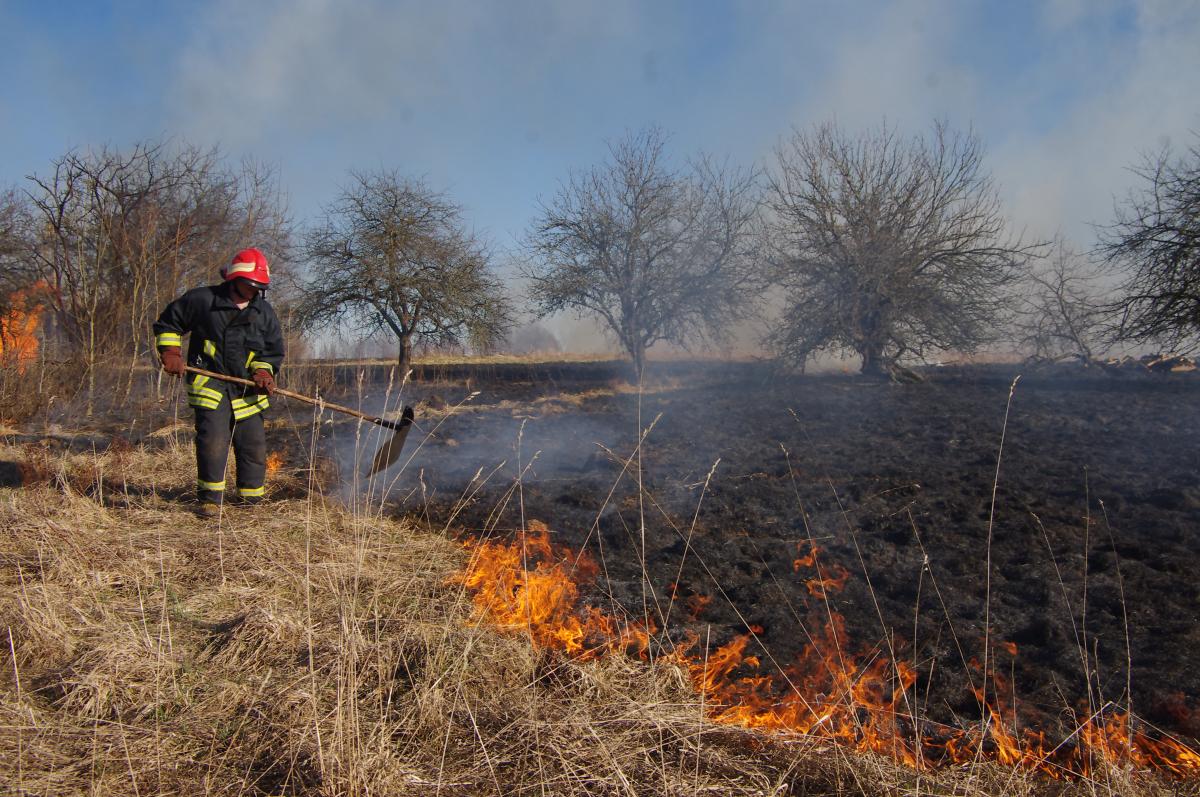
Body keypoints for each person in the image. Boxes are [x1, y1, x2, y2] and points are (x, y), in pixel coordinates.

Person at [152, 248, 284, 517]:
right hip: (210, 385)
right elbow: (169, 324)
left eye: (259, 287)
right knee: (213, 441)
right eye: (251, 285)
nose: (254, 291)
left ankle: (250, 502)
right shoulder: (203, 300)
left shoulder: (264, 312)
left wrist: (263, 374)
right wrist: (171, 352)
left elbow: (270, 351)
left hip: (247, 390)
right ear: (235, 279)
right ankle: (210, 501)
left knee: (253, 445)